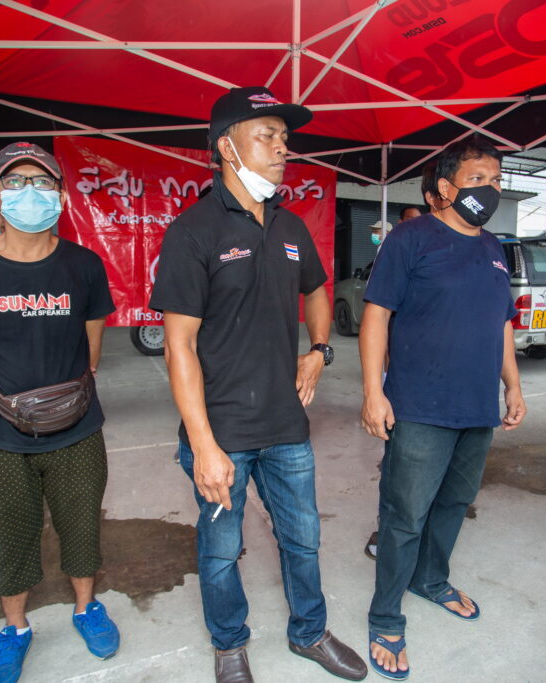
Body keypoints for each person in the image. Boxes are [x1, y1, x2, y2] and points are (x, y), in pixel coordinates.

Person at [150, 86, 366, 683]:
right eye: (266, 136)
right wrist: (203, 445)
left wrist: (318, 351)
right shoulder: (193, 231)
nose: (281, 148)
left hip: (286, 425)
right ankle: (229, 645)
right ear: (227, 147)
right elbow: (178, 346)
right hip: (221, 431)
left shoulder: (290, 225)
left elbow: (317, 289)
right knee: (221, 552)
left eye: (284, 138)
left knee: (304, 539)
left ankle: (310, 632)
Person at [0, 142, 120, 683]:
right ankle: (15, 629)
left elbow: (92, 343)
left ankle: (86, 607)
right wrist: (8, 368)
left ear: (60, 194)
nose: (29, 192)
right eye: (15, 182)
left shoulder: (84, 264)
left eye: (41, 182)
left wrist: (59, 390)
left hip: (77, 428)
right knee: (8, 533)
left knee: (82, 525)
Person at [360, 135, 526, 679]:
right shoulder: (411, 238)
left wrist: (513, 386)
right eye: (478, 179)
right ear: (445, 188)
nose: (490, 188)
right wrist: (373, 391)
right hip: (420, 407)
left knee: (453, 504)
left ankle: (430, 580)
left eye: (496, 180)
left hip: (477, 408)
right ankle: (386, 615)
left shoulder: (493, 248)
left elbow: (502, 323)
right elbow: (376, 316)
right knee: (404, 516)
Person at [363, 165, 438, 561]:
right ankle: (388, 530)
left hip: (435, 377)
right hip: (401, 374)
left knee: (431, 473)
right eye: (406, 221)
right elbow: (379, 317)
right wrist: (376, 387)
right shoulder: (396, 249)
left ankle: (420, 536)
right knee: (400, 468)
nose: (412, 226)